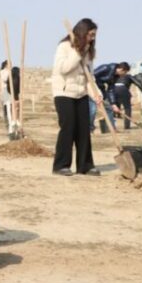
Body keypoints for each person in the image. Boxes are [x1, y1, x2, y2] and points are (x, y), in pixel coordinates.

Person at [52, 18, 100, 176]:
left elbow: (89, 78)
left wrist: (96, 95)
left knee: (83, 130)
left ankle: (85, 165)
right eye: (90, 34)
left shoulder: (88, 51)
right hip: (64, 93)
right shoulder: (64, 47)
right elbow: (63, 69)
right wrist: (77, 53)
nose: (92, 38)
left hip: (81, 94)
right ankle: (61, 165)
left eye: (94, 35)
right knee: (68, 128)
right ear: (82, 32)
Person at [110, 62, 142, 129]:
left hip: (113, 90)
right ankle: (127, 126)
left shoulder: (114, 75)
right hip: (123, 90)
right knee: (127, 108)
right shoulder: (128, 76)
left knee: (113, 107)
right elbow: (139, 83)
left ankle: (112, 126)